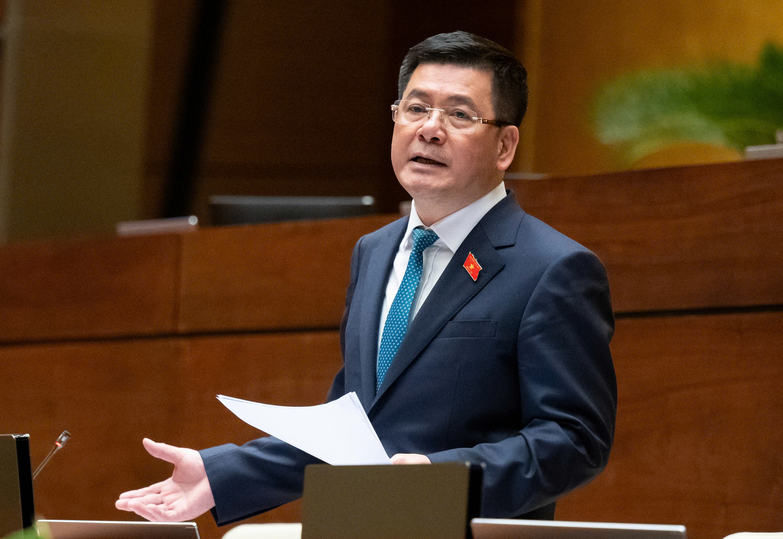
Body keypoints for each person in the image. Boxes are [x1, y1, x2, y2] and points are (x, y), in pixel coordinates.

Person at [116, 31, 616, 525]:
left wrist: (443, 479)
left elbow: (575, 439)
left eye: (460, 115)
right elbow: (357, 426)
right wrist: (222, 473)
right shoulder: (375, 252)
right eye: (416, 108)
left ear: (505, 145)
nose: (430, 129)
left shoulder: (552, 268)